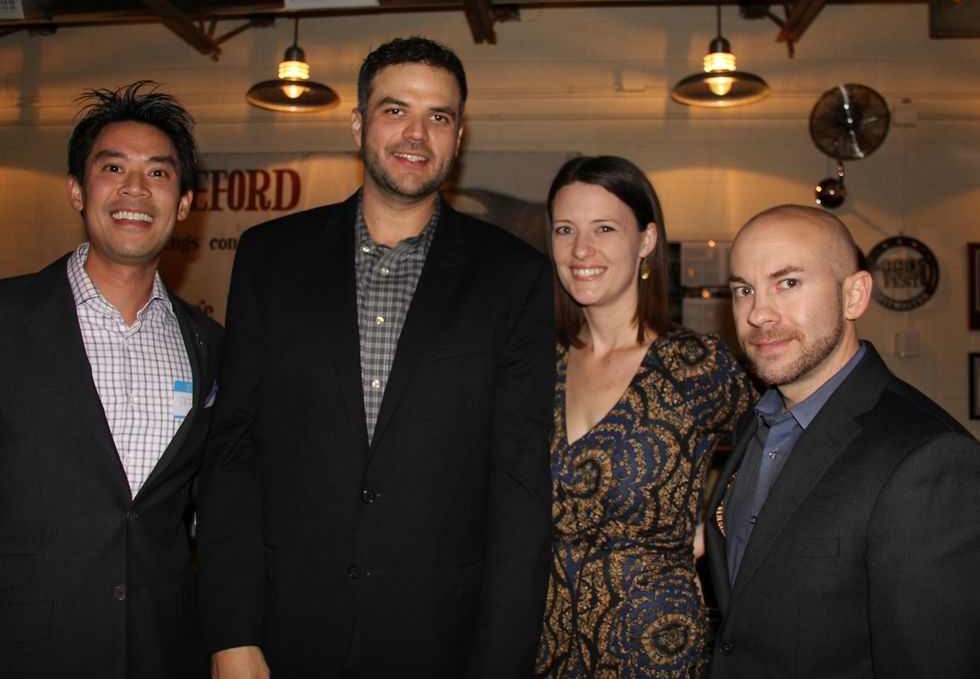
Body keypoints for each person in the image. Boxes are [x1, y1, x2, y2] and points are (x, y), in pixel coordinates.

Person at [197, 36, 554, 679]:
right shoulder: (270, 258)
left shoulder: (514, 276)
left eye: (438, 117)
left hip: (442, 639)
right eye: (395, 111)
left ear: (458, 136)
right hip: (284, 634)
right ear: (359, 122)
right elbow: (234, 453)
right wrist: (232, 630)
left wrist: (501, 661)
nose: (417, 133)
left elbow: (520, 486)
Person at [0, 81, 222, 678]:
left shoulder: (211, 347)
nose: (134, 189)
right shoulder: (7, 318)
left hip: (163, 650)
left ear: (183, 205)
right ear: (77, 190)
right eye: (113, 167)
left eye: (158, 173)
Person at [707, 204, 980, 678]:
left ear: (854, 296)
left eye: (788, 283)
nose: (758, 313)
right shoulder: (758, 422)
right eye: (744, 290)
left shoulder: (929, 458)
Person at [534, 156, 753, 679]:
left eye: (604, 229)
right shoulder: (537, 366)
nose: (581, 250)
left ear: (647, 240)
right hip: (542, 645)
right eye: (566, 230)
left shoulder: (695, 365)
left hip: (652, 645)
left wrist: (713, 537)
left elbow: (780, 449)